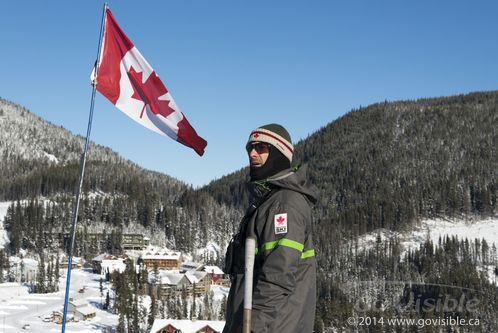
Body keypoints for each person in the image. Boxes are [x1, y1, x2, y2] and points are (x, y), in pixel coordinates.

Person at [223, 123, 318, 333]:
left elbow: (277, 277)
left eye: (261, 148)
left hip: (271, 326)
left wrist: (250, 327)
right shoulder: (268, 201)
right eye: (249, 148)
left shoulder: (285, 204)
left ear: (278, 153)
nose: (253, 153)